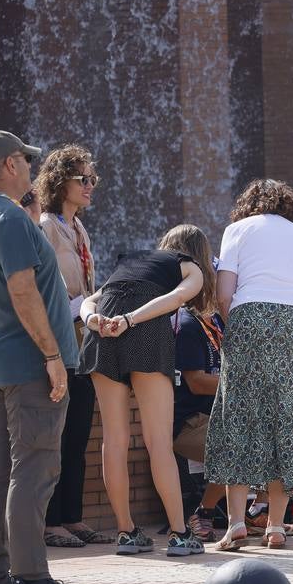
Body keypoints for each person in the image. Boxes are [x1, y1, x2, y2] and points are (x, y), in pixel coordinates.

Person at [0, 130, 89, 584]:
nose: (33, 170)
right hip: (30, 364)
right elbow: (21, 290)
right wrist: (53, 356)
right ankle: (31, 577)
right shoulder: (10, 219)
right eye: (27, 161)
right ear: (11, 165)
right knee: (34, 470)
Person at [77, 228, 213, 557]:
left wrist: (93, 320)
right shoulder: (190, 267)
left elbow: (89, 301)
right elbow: (175, 299)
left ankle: (126, 532)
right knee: (158, 442)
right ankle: (180, 534)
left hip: (102, 332)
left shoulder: (130, 261)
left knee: (114, 439)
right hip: (144, 332)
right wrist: (129, 320)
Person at [206, 178, 293, 550]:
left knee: (238, 415)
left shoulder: (237, 230)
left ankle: (237, 524)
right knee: (286, 417)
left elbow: (224, 293)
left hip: (248, 317)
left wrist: (238, 324)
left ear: (247, 204)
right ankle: (275, 526)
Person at [33, 145, 112, 549]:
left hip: (82, 343)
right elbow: (39, 289)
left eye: (92, 178)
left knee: (78, 434)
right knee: (58, 437)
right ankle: (49, 522)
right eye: (83, 179)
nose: (90, 185)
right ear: (59, 181)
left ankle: (72, 517)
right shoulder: (45, 226)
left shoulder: (77, 227)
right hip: (58, 343)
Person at [160, 224, 226, 542]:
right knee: (239, 444)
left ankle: (259, 512)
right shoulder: (184, 323)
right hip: (187, 423)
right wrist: (244, 383)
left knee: (268, 432)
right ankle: (204, 512)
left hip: (213, 416)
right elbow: (197, 382)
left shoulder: (211, 319)